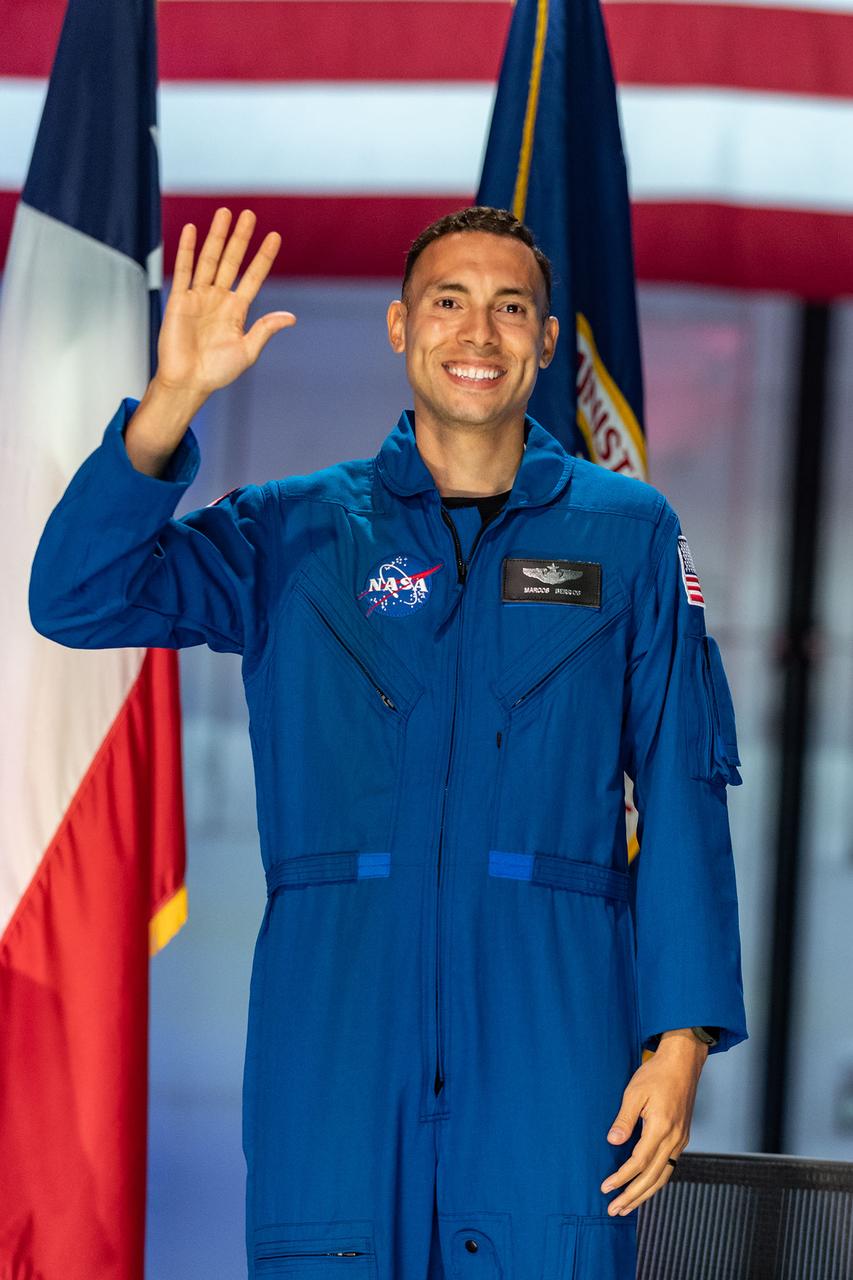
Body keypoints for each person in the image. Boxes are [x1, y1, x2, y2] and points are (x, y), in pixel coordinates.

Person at [29, 205, 747, 1279]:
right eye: (449, 302)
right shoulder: (295, 530)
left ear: (548, 343)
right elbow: (78, 595)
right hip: (336, 1043)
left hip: (553, 1045)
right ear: (399, 328)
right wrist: (171, 400)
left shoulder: (629, 531)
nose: (479, 331)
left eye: (511, 309)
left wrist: (679, 1037)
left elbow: (685, 786)